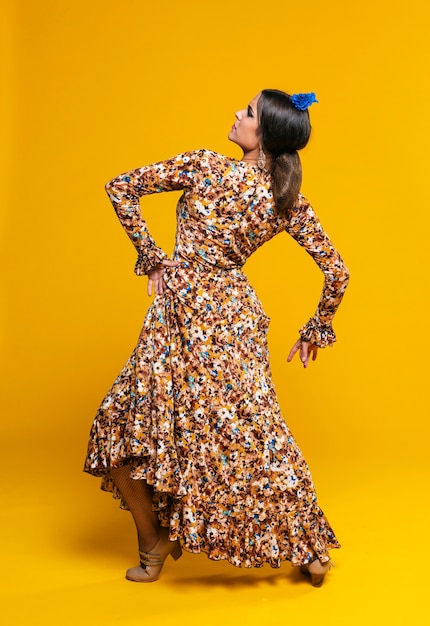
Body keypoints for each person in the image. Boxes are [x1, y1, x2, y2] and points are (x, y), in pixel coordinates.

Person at [84, 89, 349, 588]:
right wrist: (316, 329)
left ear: (264, 133)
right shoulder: (285, 198)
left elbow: (120, 187)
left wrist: (154, 256)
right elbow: (338, 272)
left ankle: (156, 543)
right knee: (254, 439)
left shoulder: (205, 165)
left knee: (129, 432)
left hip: (189, 318)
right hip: (229, 320)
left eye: (247, 112)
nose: (236, 114)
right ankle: (303, 548)